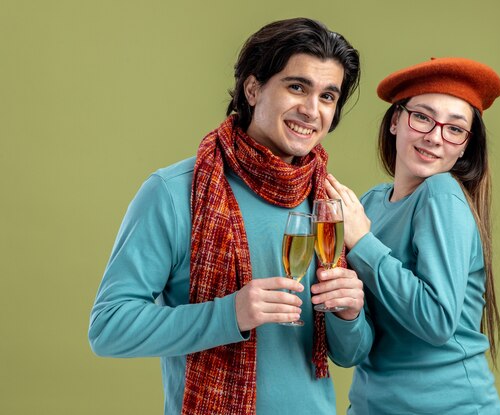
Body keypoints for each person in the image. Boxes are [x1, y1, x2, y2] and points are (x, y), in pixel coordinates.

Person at [88, 18, 371, 415]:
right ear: (253, 88)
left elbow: (349, 353)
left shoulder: (328, 201)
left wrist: (349, 313)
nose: (311, 110)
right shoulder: (175, 192)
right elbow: (109, 328)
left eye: (328, 96)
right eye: (297, 87)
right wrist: (230, 313)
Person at [325, 57, 500, 414]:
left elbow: (436, 321)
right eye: (422, 117)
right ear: (395, 121)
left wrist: (362, 243)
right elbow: (352, 353)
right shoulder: (369, 205)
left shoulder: (441, 193)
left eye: (454, 129)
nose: (435, 137)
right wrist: (346, 311)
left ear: (465, 146)